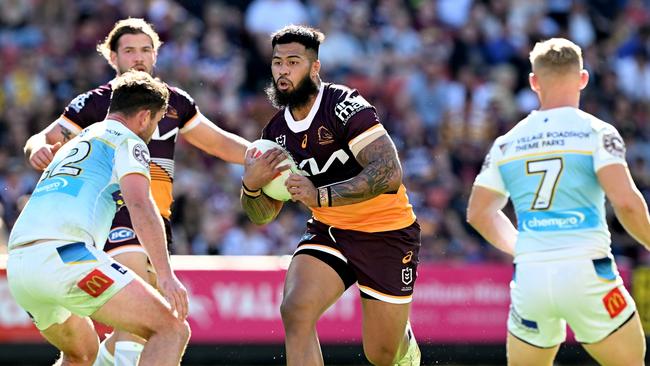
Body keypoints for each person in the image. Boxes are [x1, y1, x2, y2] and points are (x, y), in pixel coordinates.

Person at [23, 18, 249, 365]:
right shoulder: (104, 110)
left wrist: (260, 155)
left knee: (89, 352)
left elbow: (218, 142)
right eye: (129, 50)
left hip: (43, 251)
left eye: (146, 50)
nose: (138, 57)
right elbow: (47, 137)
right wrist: (37, 145)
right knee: (162, 328)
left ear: (156, 55)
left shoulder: (173, 102)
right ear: (112, 57)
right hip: (115, 219)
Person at [240, 25, 421, 366]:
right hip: (330, 231)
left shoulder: (345, 105)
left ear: (314, 67)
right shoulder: (274, 133)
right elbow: (262, 215)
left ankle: (404, 342)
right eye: (277, 62)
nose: (282, 70)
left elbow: (389, 170)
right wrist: (251, 186)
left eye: (293, 62)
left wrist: (320, 195)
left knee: (382, 355)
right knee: (295, 310)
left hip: (386, 232)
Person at [467, 38, 648, 366]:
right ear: (583, 78)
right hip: (588, 271)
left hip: (531, 276)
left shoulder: (508, 143)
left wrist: (524, 246)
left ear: (534, 81)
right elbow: (627, 203)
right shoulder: (596, 131)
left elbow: (479, 213)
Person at [7, 70, 190, 366]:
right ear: (144, 117)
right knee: (171, 329)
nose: (152, 130)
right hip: (66, 255)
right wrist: (166, 277)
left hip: (20, 265)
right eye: (156, 122)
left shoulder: (76, 141)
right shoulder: (129, 141)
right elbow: (141, 205)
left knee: (82, 354)